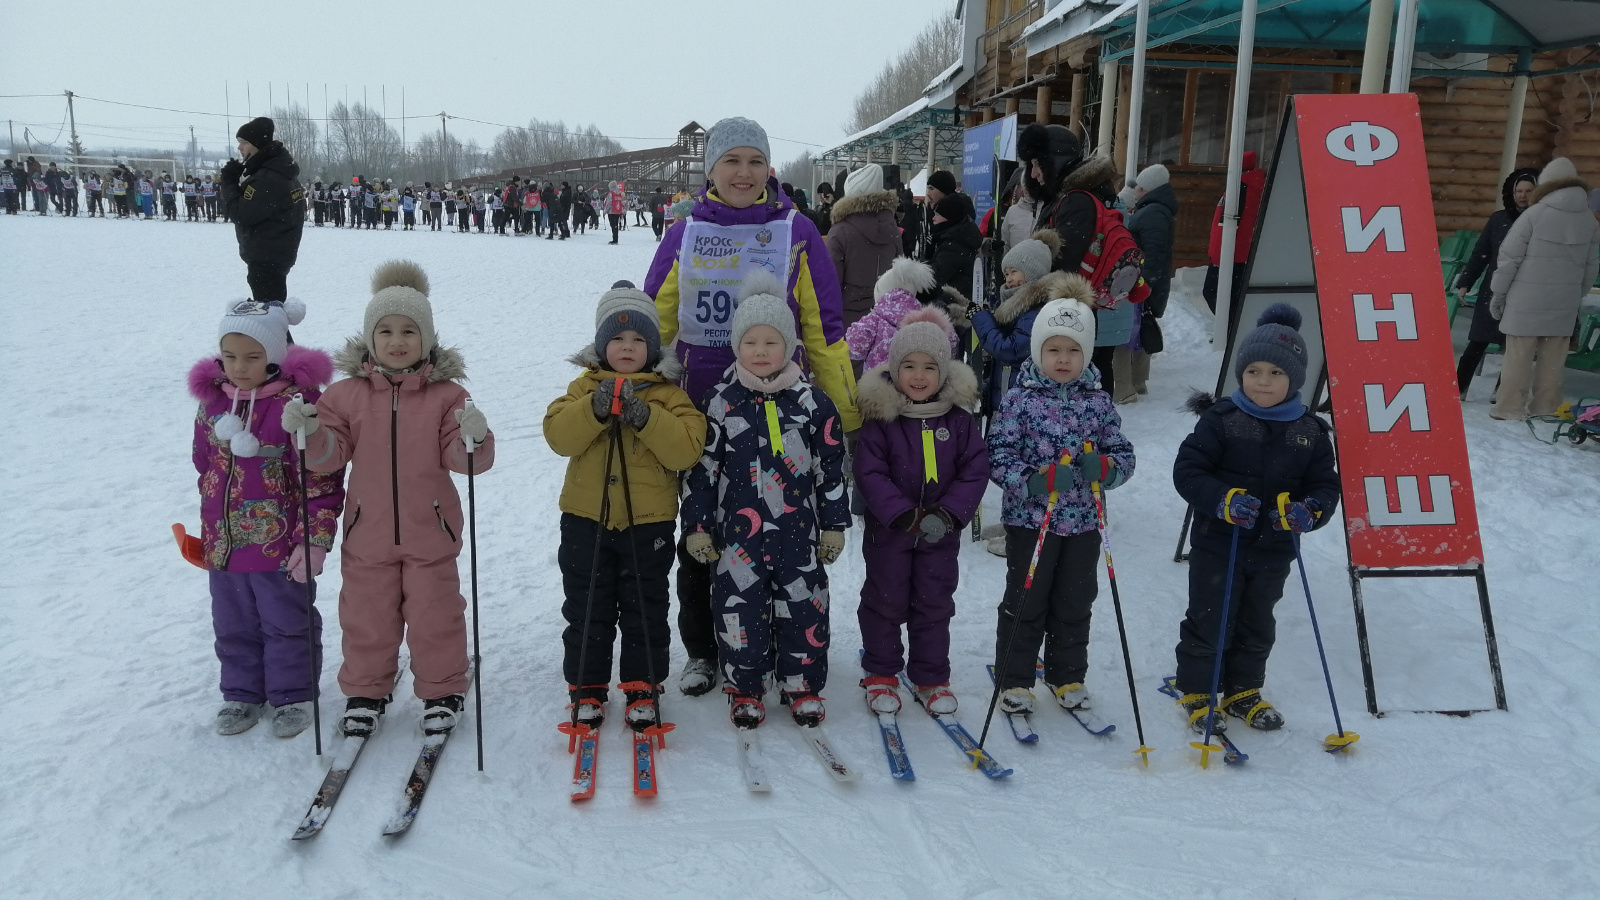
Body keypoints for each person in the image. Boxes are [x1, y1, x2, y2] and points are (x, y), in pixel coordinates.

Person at [644, 116, 859, 696]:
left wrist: (845, 411)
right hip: (699, 412)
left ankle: (776, 643)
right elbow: (654, 323)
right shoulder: (683, 231)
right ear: (711, 169)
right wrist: (643, 396)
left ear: (769, 168)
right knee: (703, 530)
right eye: (731, 161)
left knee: (776, 537)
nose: (744, 172)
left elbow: (823, 326)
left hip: (781, 409)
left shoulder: (796, 230)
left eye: (754, 161)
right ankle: (704, 650)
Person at [280, 260, 495, 737]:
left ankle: (442, 689)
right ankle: (365, 691)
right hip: (368, 534)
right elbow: (328, 457)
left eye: (409, 331)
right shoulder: (345, 395)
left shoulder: (447, 396)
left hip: (431, 533)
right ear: (369, 339)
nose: (397, 342)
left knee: (435, 614)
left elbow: (466, 461)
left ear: (428, 338)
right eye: (386, 331)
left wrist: (473, 439)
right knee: (366, 616)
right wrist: (310, 431)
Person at [680, 275, 850, 728]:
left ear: (790, 345)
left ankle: (801, 685)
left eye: (771, 341)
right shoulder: (719, 402)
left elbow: (830, 469)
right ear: (736, 345)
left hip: (798, 533)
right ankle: (746, 686)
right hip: (737, 537)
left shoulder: (813, 403)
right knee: (740, 611)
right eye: (750, 341)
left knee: (804, 608)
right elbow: (700, 473)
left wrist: (834, 524)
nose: (760, 350)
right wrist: (697, 528)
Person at [544, 283, 707, 730]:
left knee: (645, 607)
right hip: (585, 521)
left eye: (638, 340)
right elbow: (558, 435)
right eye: (617, 339)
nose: (627, 347)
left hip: (647, 525)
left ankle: (642, 685)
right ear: (601, 346)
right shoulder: (582, 388)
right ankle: (586, 687)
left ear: (653, 347)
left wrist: (646, 417)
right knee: (587, 607)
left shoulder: (669, 395)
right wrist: (594, 411)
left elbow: (687, 449)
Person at [1171, 304, 1340, 734]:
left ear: (1295, 378)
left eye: (1276, 374)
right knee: (1211, 616)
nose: (1263, 381)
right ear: (1241, 373)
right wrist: (1222, 500)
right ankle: (1198, 689)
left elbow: (1325, 485)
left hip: (1274, 548)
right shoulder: (1223, 420)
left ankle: (1244, 689)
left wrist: (1309, 511)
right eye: (1254, 371)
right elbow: (1188, 471)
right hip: (1218, 542)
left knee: (1257, 620)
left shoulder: (1310, 431)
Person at [190, 297, 344, 738]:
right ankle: (241, 694)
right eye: (230, 356)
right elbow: (204, 466)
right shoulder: (212, 406)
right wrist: (210, 528)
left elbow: (321, 481)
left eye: (253, 357)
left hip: (280, 546)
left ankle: (292, 694)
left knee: (286, 621)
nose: (239, 367)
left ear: (275, 356)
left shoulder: (297, 408)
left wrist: (312, 539)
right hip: (226, 544)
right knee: (232, 621)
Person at [987, 292, 1135, 718]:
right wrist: (1034, 481)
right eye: (1054, 349)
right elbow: (999, 456)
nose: (1063, 359)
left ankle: (1066, 673)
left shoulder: (1098, 400)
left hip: (1085, 523)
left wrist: (1105, 468)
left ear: (1086, 353)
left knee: (1075, 599)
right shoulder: (1020, 399)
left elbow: (1124, 455)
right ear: (1039, 350)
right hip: (1031, 519)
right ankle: (1014, 678)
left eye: (1073, 350)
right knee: (1026, 599)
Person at [854, 307, 989, 716]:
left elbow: (975, 469)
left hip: (940, 533)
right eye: (908, 366)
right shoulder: (881, 420)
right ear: (893, 368)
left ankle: (931, 676)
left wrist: (948, 514)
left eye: (930, 367)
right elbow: (869, 471)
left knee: (934, 602)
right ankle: (881, 672)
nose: (918, 375)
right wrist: (901, 514)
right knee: (885, 599)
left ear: (944, 373)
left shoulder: (959, 421)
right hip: (891, 532)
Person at [1016, 122, 1139, 399]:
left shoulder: (1076, 201)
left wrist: (1020, 293)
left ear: (1054, 162)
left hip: (1072, 313)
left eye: (1037, 165)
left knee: (1084, 385)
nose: (1033, 174)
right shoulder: (1078, 196)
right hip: (1084, 311)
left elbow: (1063, 266)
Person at [1489, 157, 1600, 421]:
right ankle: (1546, 407)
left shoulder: (1534, 215)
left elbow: (1509, 259)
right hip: (1564, 301)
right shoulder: (1589, 219)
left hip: (1525, 300)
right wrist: (1577, 294)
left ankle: (1509, 408)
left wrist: (1498, 294)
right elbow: (1591, 265)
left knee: (1518, 356)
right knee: (1553, 359)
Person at [1452, 169, 1538, 400]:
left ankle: (1503, 393)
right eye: (1518, 191)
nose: (1522, 195)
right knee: (1477, 340)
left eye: (1528, 191)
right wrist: (1466, 282)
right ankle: (1459, 388)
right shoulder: (1498, 218)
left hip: (1524, 291)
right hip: (1493, 288)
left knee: (1514, 346)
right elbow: (1481, 252)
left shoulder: (1541, 220)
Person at [220, 119, 306, 305]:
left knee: (269, 318)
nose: (240, 148)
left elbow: (241, 214)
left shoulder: (269, 178)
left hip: (268, 257)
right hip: (275, 253)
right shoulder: (279, 170)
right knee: (271, 315)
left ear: (258, 144)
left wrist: (229, 183)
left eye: (244, 143)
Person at [1118, 163, 1179, 403]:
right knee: (1141, 327)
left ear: (1151, 189)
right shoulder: (1155, 210)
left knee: (1135, 329)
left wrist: (1147, 282)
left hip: (1142, 281)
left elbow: (1155, 252)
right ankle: (1138, 382)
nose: (1137, 192)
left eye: (1141, 188)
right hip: (1144, 279)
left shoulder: (1153, 212)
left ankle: (1134, 383)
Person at [827, 163, 903, 329]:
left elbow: (830, 285)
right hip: (885, 321)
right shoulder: (893, 229)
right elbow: (899, 279)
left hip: (848, 322)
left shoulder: (840, 232)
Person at [846, 257, 955, 371]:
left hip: (879, 383)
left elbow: (855, 346)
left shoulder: (874, 320)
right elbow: (950, 345)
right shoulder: (927, 320)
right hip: (919, 382)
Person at [1202, 151, 1265, 316]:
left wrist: (1217, 257)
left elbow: (1227, 224)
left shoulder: (1239, 188)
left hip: (1230, 254)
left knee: (1214, 294)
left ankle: (1229, 334)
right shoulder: (1252, 187)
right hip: (1240, 254)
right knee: (1230, 299)